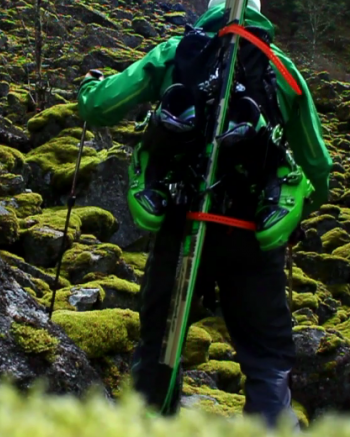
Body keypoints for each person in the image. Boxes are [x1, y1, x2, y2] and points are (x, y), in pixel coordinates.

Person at [77, 0, 332, 429]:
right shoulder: (281, 68)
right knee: (267, 362)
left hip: (181, 220)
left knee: (158, 352)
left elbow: (102, 105)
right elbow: (318, 165)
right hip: (251, 229)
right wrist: (308, 205)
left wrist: (89, 88)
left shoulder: (179, 51)